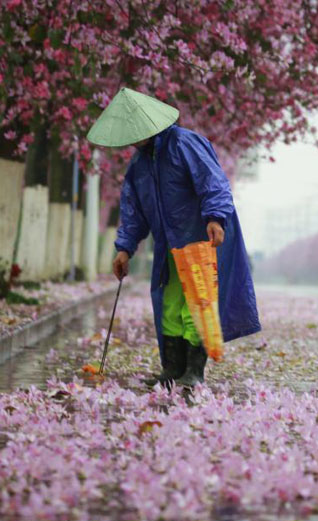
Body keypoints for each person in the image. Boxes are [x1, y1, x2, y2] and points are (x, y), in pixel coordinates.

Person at [86, 87, 261, 388]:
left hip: (199, 242)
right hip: (169, 248)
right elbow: (134, 211)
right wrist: (124, 249)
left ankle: (194, 371)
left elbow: (213, 182)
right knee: (169, 306)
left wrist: (215, 218)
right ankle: (172, 368)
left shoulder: (184, 144)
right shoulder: (139, 164)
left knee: (197, 305)